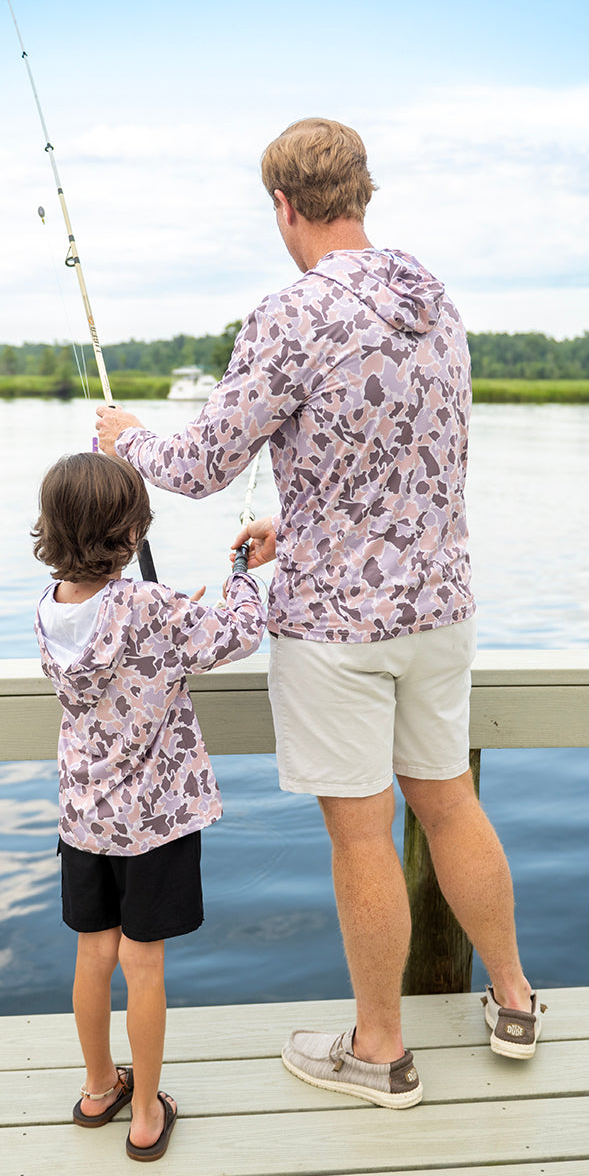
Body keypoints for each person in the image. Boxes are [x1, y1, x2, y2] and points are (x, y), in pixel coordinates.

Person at [93, 118, 543, 1110]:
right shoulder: (435, 300)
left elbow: (202, 465)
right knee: (448, 799)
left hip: (340, 631)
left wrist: (127, 440)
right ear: (362, 194)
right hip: (441, 609)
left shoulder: (290, 314)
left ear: (283, 205)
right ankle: (515, 1001)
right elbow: (403, 468)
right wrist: (297, 530)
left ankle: (380, 1051)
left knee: (362, 834)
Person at [32, 451, 266, 1158]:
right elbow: (238, 633)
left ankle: (98, 1087)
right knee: (143, 965)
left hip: (84, 820)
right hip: (155, 823)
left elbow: (122, 641)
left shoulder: (49, 609)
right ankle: (144, 1117)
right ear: (131, 534)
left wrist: (169, 621)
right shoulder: (151, 609)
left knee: (93, 953)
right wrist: (241, 577)